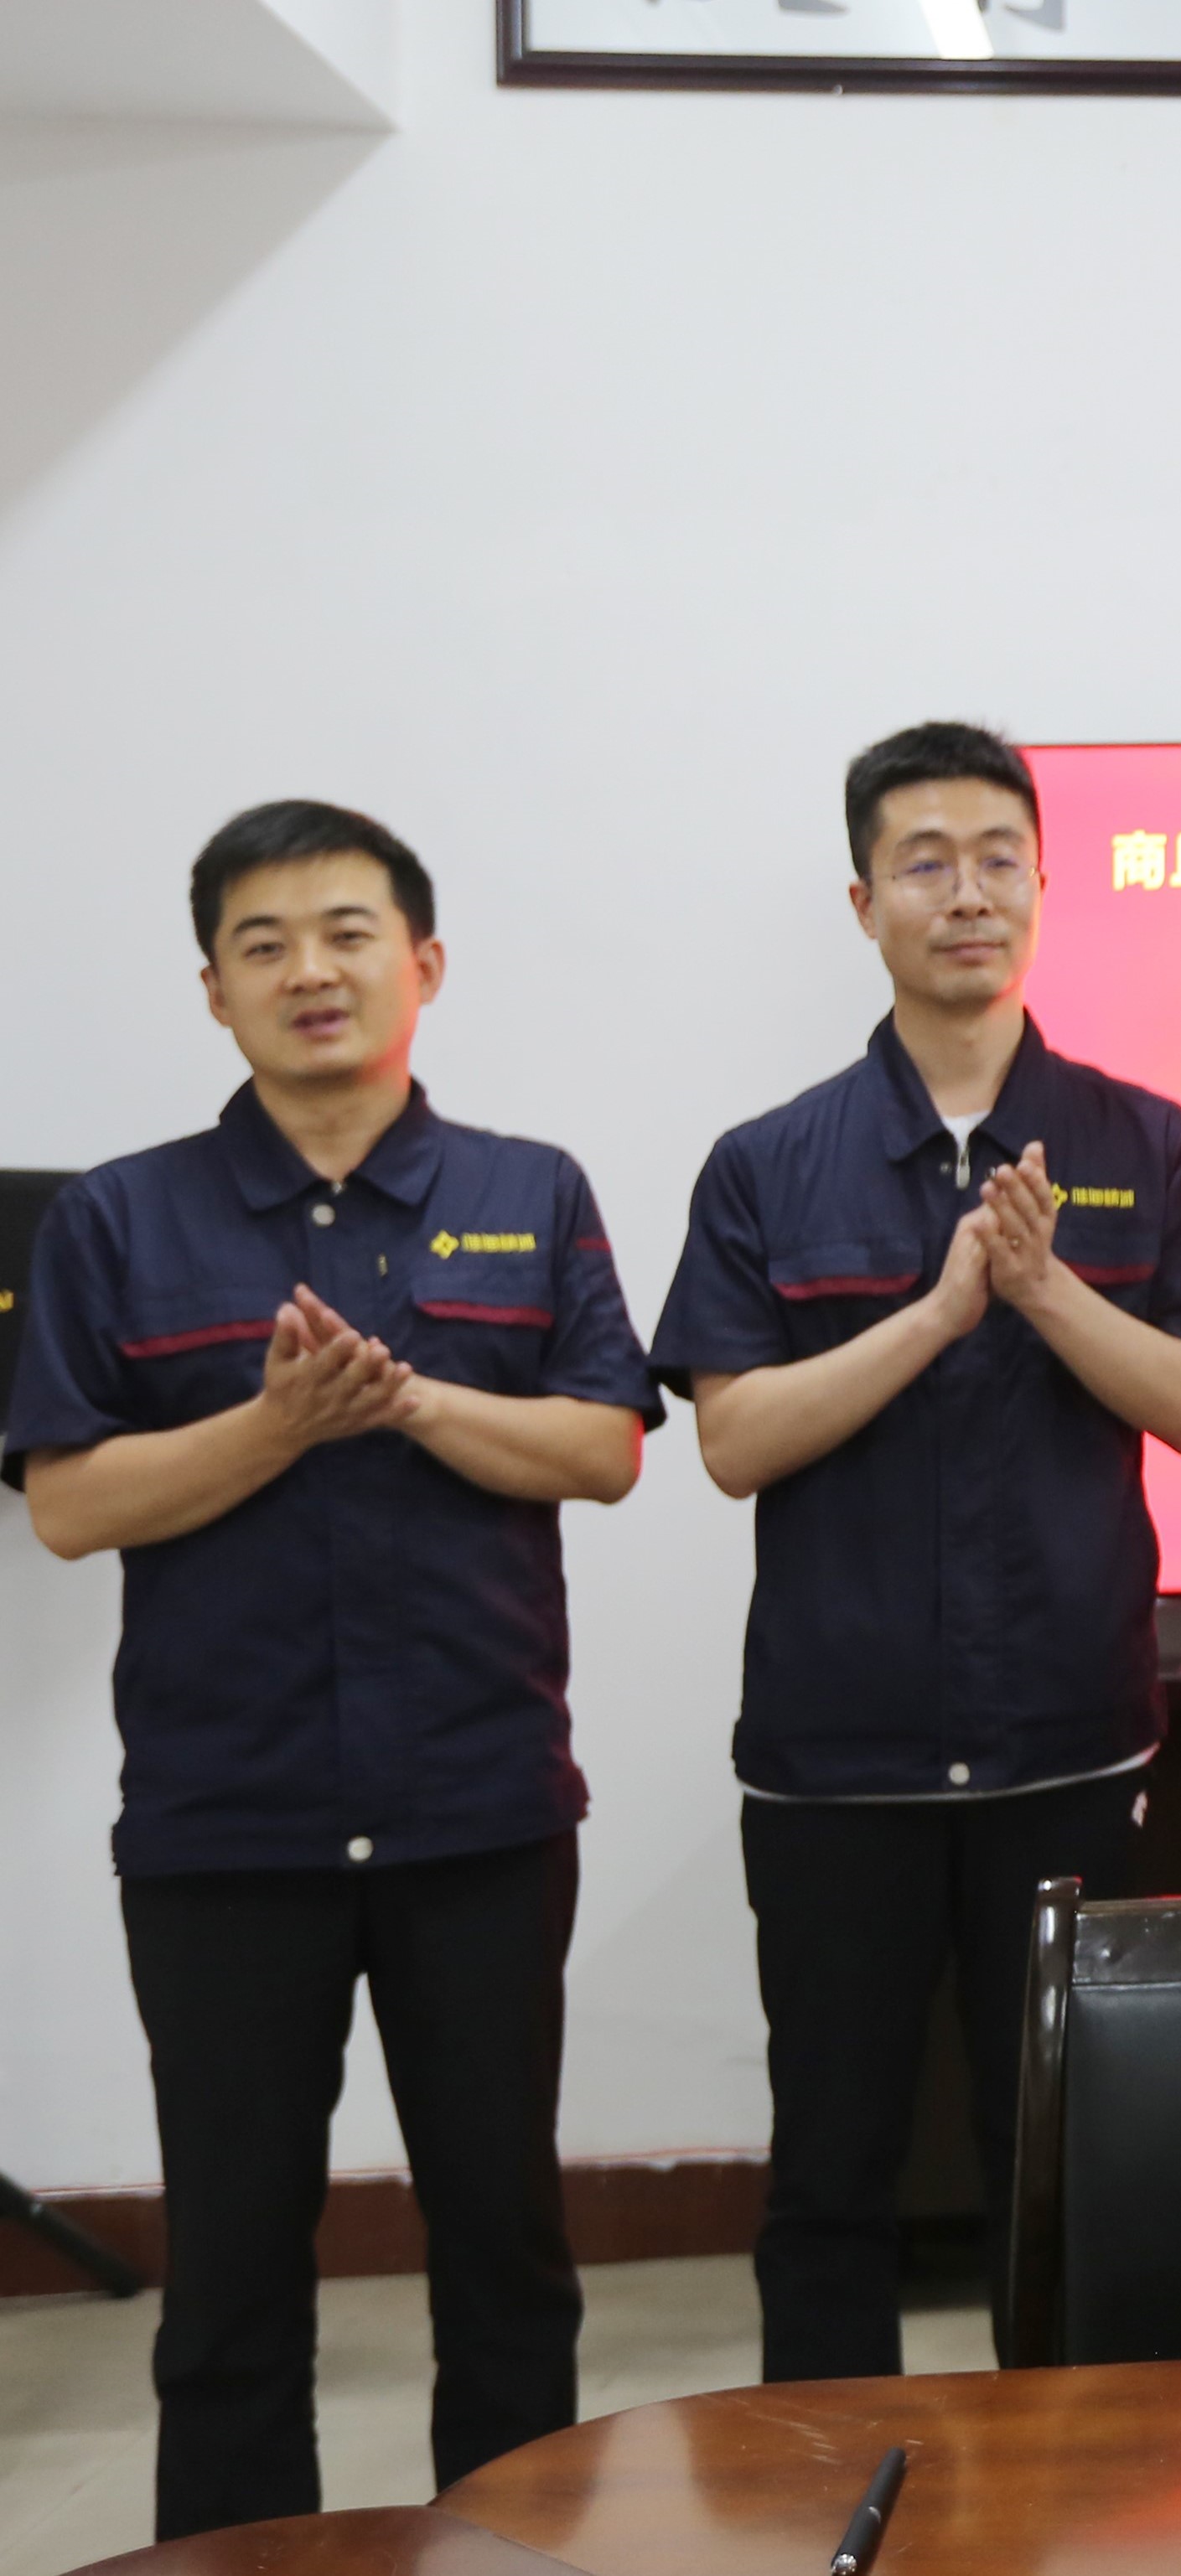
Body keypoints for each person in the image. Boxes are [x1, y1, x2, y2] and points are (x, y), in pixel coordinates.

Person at [7, 802, 656, 2538]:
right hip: (228, 1824)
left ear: (421, 963)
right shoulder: (120, 1218)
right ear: (213, 988)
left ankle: (510, 2554)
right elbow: (69, 1504)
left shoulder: (530, 1190)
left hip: (482, 1810)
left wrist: (409, 1397)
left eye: (348, 932)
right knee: (231, 2275)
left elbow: (604, 1447)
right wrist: (276, 1424)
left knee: (506, 2249)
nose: (312, 969)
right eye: (265, 942)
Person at [647, 721, 1181, 2380]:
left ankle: (1063, 2492)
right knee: (831, 2169)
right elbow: (735, 1440)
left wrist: (1041, 1289)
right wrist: (935, 1313)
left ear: (1042, 884)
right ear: (864, 902)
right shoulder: (768, 1162)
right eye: (924, 861)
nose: (966, 893)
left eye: (997, 858)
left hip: (1068, 1740)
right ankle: (826, 2484)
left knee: (1062, 2167)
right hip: (838, 1761)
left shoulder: (1136, 1135)